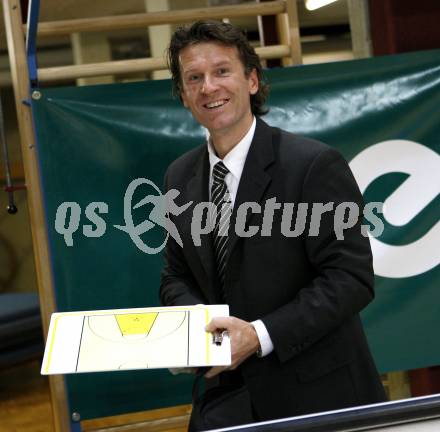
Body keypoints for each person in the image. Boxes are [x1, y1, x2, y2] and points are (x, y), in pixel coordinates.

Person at [160, 20, 386, 428]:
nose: (209, 86)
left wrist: (258, 336)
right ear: (183, 94)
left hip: (317, 398)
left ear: (251, 80)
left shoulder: (313, 164)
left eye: (222, 71)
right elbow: (175, 277)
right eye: (194, 78)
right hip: (222, 400)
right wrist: (203, 328)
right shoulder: (178, 177)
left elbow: (351, 278)